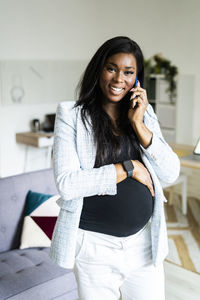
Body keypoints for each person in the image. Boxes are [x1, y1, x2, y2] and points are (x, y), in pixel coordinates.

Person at [49, 36, 180, 300]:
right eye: (112, 68)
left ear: (137, 80)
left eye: (128, 72)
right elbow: (68, 183)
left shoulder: (144, 114)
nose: (119, 78)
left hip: (144, 243)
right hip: (93, 248)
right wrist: (128, 168)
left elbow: (170, 173)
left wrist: (139, 124)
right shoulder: (71, 116)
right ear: (99, 69)